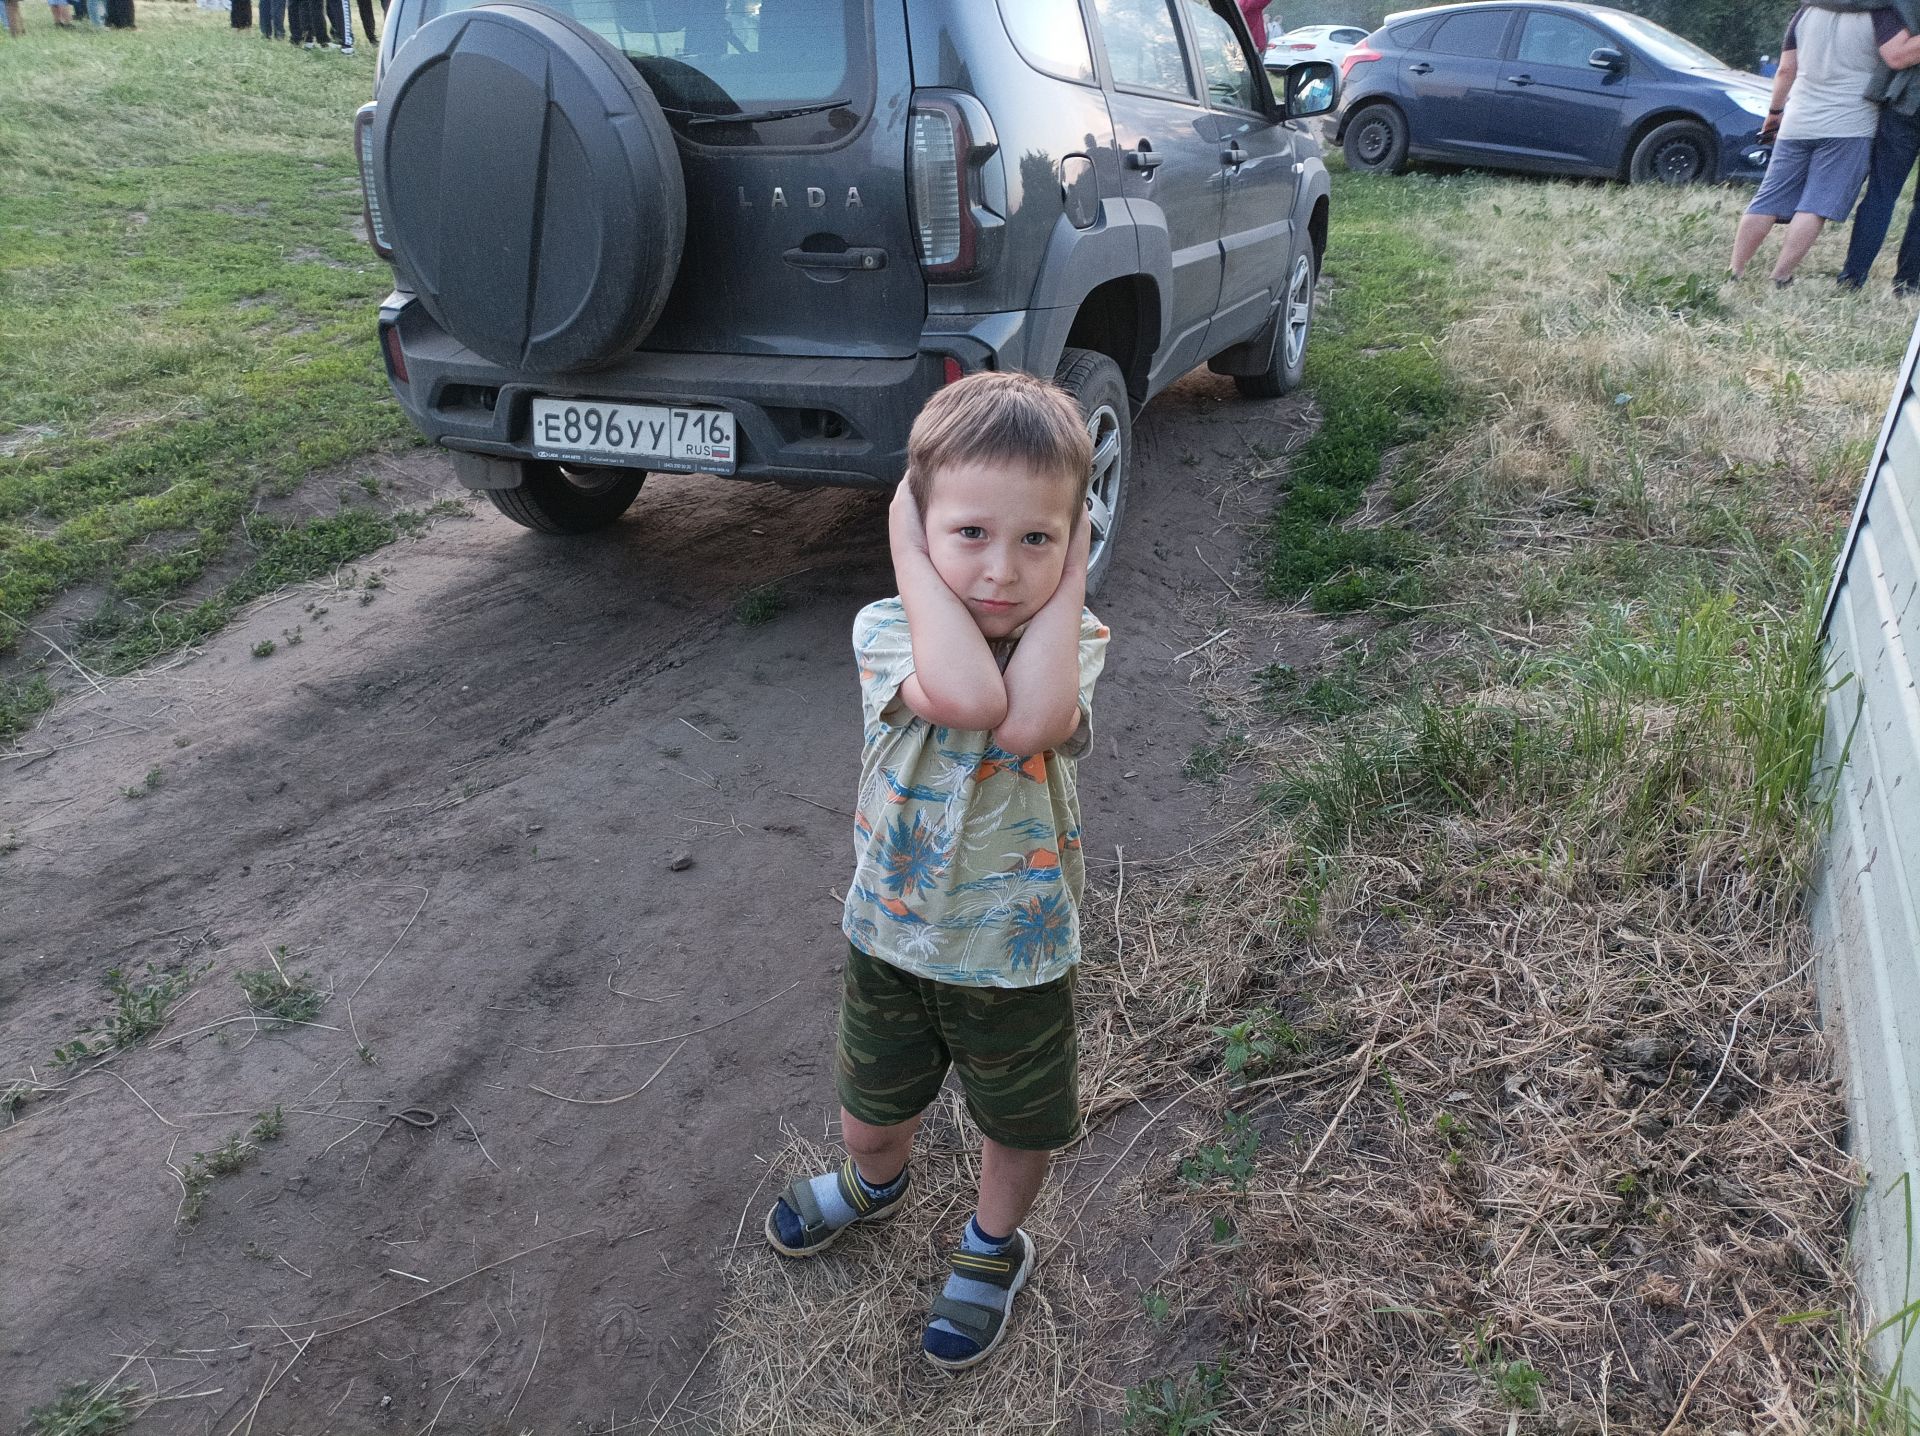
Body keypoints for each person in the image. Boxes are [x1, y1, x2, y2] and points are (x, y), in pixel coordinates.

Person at [762, 371, 1109, 1373]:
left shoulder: (1071, 639)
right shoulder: (886, 630)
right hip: (893, 940)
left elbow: (1028, 719)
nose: (1003, 570)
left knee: (1016, 1122)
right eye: (969, 534)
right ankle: (876, 1183)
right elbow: (961, 691)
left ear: (1074, 540)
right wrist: (909, 550)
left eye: (1039, 538)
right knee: (869, 1117)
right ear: (917, 530)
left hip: (1017, 954)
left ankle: (995, 1243)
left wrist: (1066, 574)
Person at [1731, 5, 1920, 286]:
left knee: (1768, 198)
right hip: (1850, 122)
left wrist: (1774, 113)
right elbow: (1897, 55)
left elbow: (1785, 70)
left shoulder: (1806, 10)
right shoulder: (1878, 12)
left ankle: (1735, 271)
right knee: (1816, 205)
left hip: (1799, 119)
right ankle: (1781, 275)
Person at [1837, 0, 1920, 289]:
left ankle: (1852, 277)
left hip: (1904, 101)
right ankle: (1908, 284)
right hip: (1905, 101)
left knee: (1881, 193)